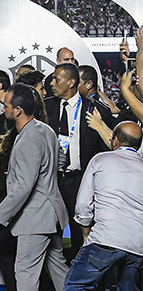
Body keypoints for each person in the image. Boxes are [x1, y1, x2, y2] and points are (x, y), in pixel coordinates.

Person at [0, 84, 74, 291]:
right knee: (59, 271)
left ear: (18, 110)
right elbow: (60, 161)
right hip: (51, 213)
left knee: (25, 272)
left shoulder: (28, 137)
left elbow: (24, 186)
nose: (3, 110)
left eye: (6, 106)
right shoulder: (45, 130)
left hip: (35, 217)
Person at [64, 121, 143, 291]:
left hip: (105, 239)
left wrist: (85, 228)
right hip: (137, 245)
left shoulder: (101, 159)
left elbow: (82, 205)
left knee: (75, 286)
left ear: (114, 140)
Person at [44, 63, 109, 258]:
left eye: (57, 79)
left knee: (81, 230)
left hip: (81, 180)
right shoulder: (46, 107)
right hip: (51, 179)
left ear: (71, 82)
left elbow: (105, 150)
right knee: (48, 228)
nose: (52, 83)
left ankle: (84, 276)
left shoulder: (95, 110)